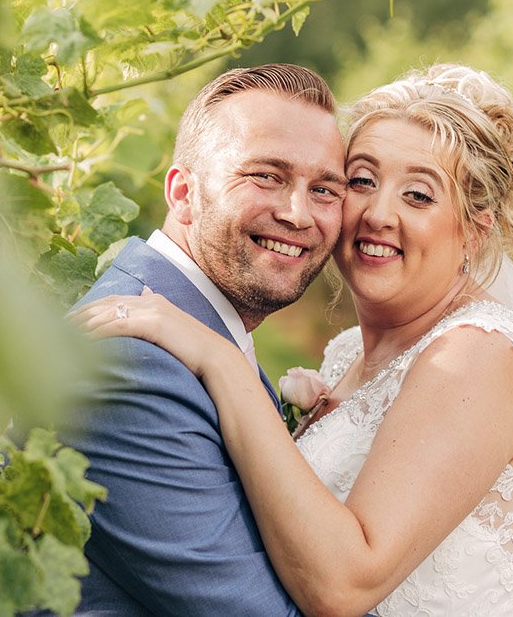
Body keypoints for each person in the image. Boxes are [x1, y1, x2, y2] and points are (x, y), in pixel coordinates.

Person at [74, 64, 513, 615]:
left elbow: (344, 584)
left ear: (475, 231)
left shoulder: (478, 355)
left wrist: (223, 365)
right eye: (361, 181)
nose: (377, 213)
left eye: (419, 195)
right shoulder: (348, 355)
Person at [61, 63, 346, 614]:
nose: (297, 213)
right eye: (266, 175)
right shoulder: (127, 367)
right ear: (184, 192)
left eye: (325, 188)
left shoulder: (204, 336)